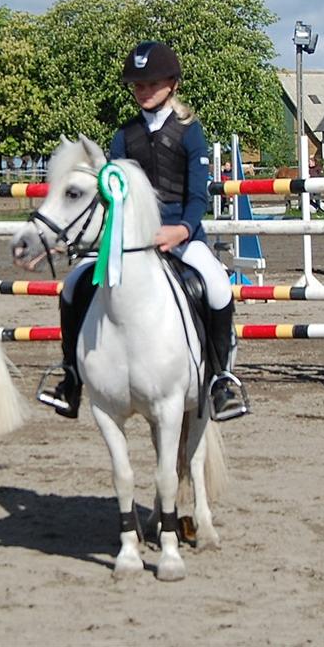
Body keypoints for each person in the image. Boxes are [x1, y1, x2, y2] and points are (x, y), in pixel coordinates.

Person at [37, 41, 248, 422]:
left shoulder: (189, 132)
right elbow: (112, 194)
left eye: (151, 83)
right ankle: (70, 375)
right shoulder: (125, 136)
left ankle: (220, 380)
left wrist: (180, 230)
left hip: (181, 236)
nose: (143, 90)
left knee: (217, 286)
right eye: (137, 85)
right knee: (72, 287)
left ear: (172, 84)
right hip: (130, 240)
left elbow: (198, 194)